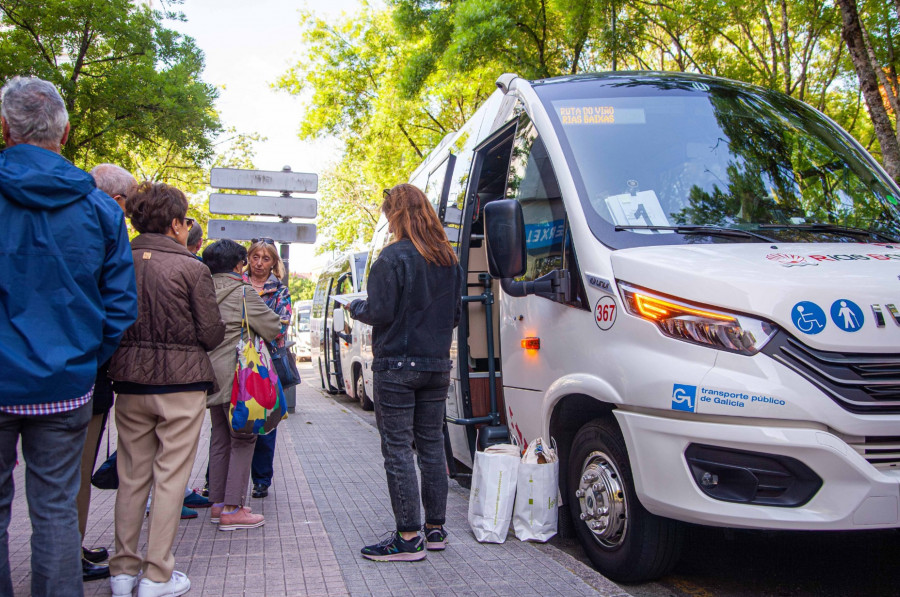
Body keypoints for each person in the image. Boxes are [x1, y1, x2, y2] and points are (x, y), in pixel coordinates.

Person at [0, 76, 137, 596]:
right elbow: (120, 306)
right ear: (66, 130)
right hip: (64, 383)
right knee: (57, 506)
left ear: (5, 127)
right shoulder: (100, 209)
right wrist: (83, 359)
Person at [107, 182, 224, 597]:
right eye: (186, 219)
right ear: (175, 223)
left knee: (132, 475)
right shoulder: (193, 269)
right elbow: (211, 333)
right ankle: (157, 575)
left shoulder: (118, 259)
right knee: (171, 478)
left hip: (130, 381)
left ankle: (121, 571)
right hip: (181, 383)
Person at [348, 184, 464, 561]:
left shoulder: (391, 257)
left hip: (396, 365)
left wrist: (356, 307)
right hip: (435, 364)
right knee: (431, 446)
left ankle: (408, 537)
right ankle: (435, 530)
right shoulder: (449, 259)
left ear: (394, 214)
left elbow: (379, 312)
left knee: (397, 449)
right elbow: (456, 316)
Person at [76, 163, 137, 583]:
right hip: (78, 371)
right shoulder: (102, 222)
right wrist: (99, 357)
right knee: (70, 478)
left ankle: (71, 550)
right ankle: (67, 558)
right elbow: (118, 304)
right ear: (117, 201)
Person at [203, 239, 281, 531]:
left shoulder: (202, 287)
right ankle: (233, 509)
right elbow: (272, 326)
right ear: (239, 264)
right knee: (244, 438)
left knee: (220, 437)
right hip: (237, 377)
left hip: (207, 373)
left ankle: (218, 503)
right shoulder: (243, 291)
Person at [244, 238, 292, 499]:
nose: (259, 263)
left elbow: (280, 327)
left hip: (267, 363)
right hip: (238, 360)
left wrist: (252, 326)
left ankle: (261, 479)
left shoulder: (280, 291)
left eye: (266, 259)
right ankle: (214, 479)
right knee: (233, 419)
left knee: (265, 421)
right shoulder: (237, 284)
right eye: (255, 257)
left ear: (274, 263)